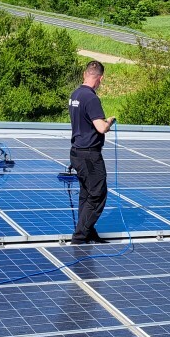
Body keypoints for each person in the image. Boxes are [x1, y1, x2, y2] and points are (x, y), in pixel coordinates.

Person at [68, 60, 115, 244]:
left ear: (84, 74)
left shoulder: (75, 94)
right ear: (100, 78)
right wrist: (109, 122)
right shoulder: (91, 98)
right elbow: (100, 127)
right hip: (89, 154)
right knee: (97, 194)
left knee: (86, 194)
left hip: (77, 152)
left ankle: (88, 231)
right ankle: (80, 236)